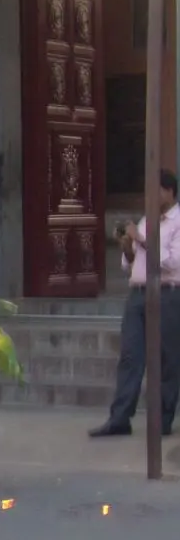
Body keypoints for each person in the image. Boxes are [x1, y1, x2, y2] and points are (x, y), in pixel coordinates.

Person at [90, 169, 180, 438]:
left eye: (155, 190)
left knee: (167, 358)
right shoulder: (145, 221)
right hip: (138, 293)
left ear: (169, 191)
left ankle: (162, 419)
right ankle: (119, 418)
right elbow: (130, 264)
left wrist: (141, 240)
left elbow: (172, 262)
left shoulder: (177, 222)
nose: (149, 197)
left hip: (167, 294)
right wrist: (127, 247)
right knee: (130, 357)